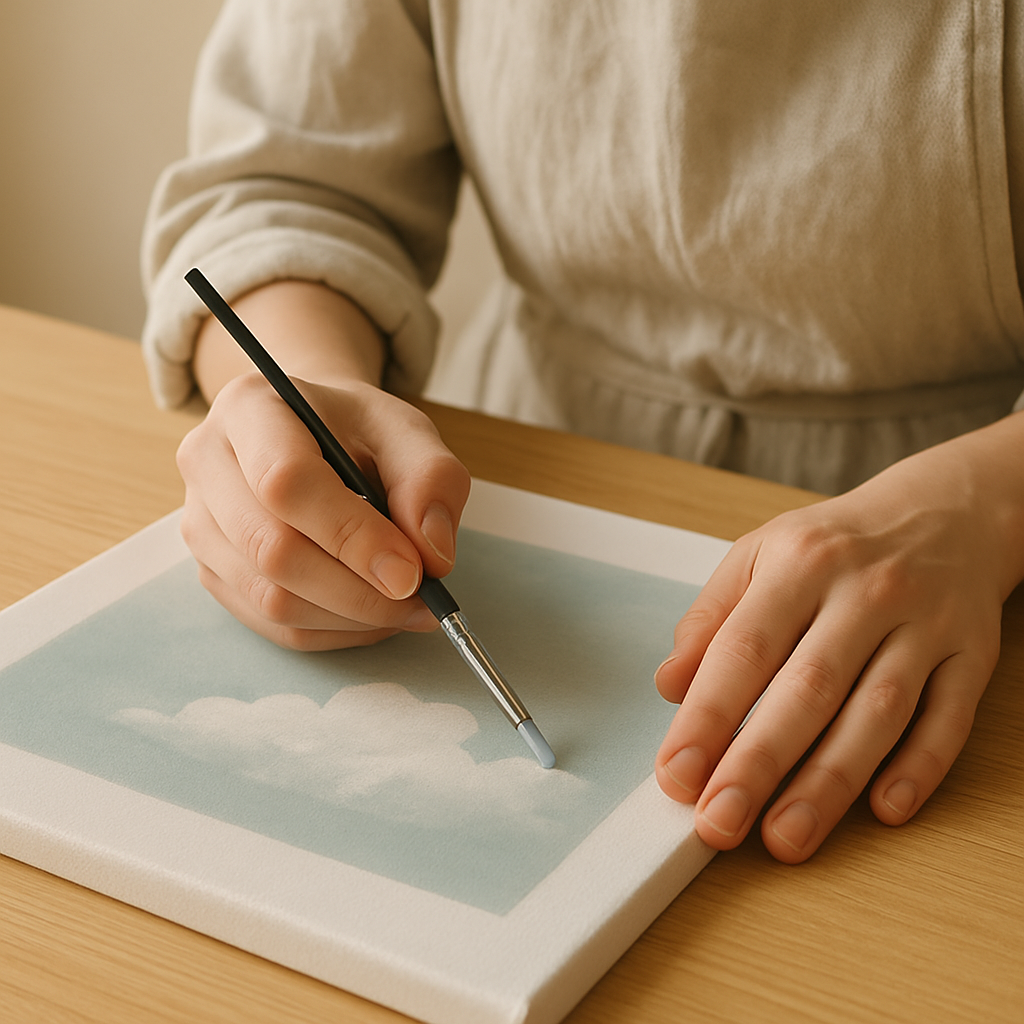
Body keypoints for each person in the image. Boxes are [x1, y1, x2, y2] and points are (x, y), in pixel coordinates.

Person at [141, 1, 1024, 864]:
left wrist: (989, 501)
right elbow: (285, 185)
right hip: (530, 456)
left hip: (966, 524)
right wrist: (298, 389)